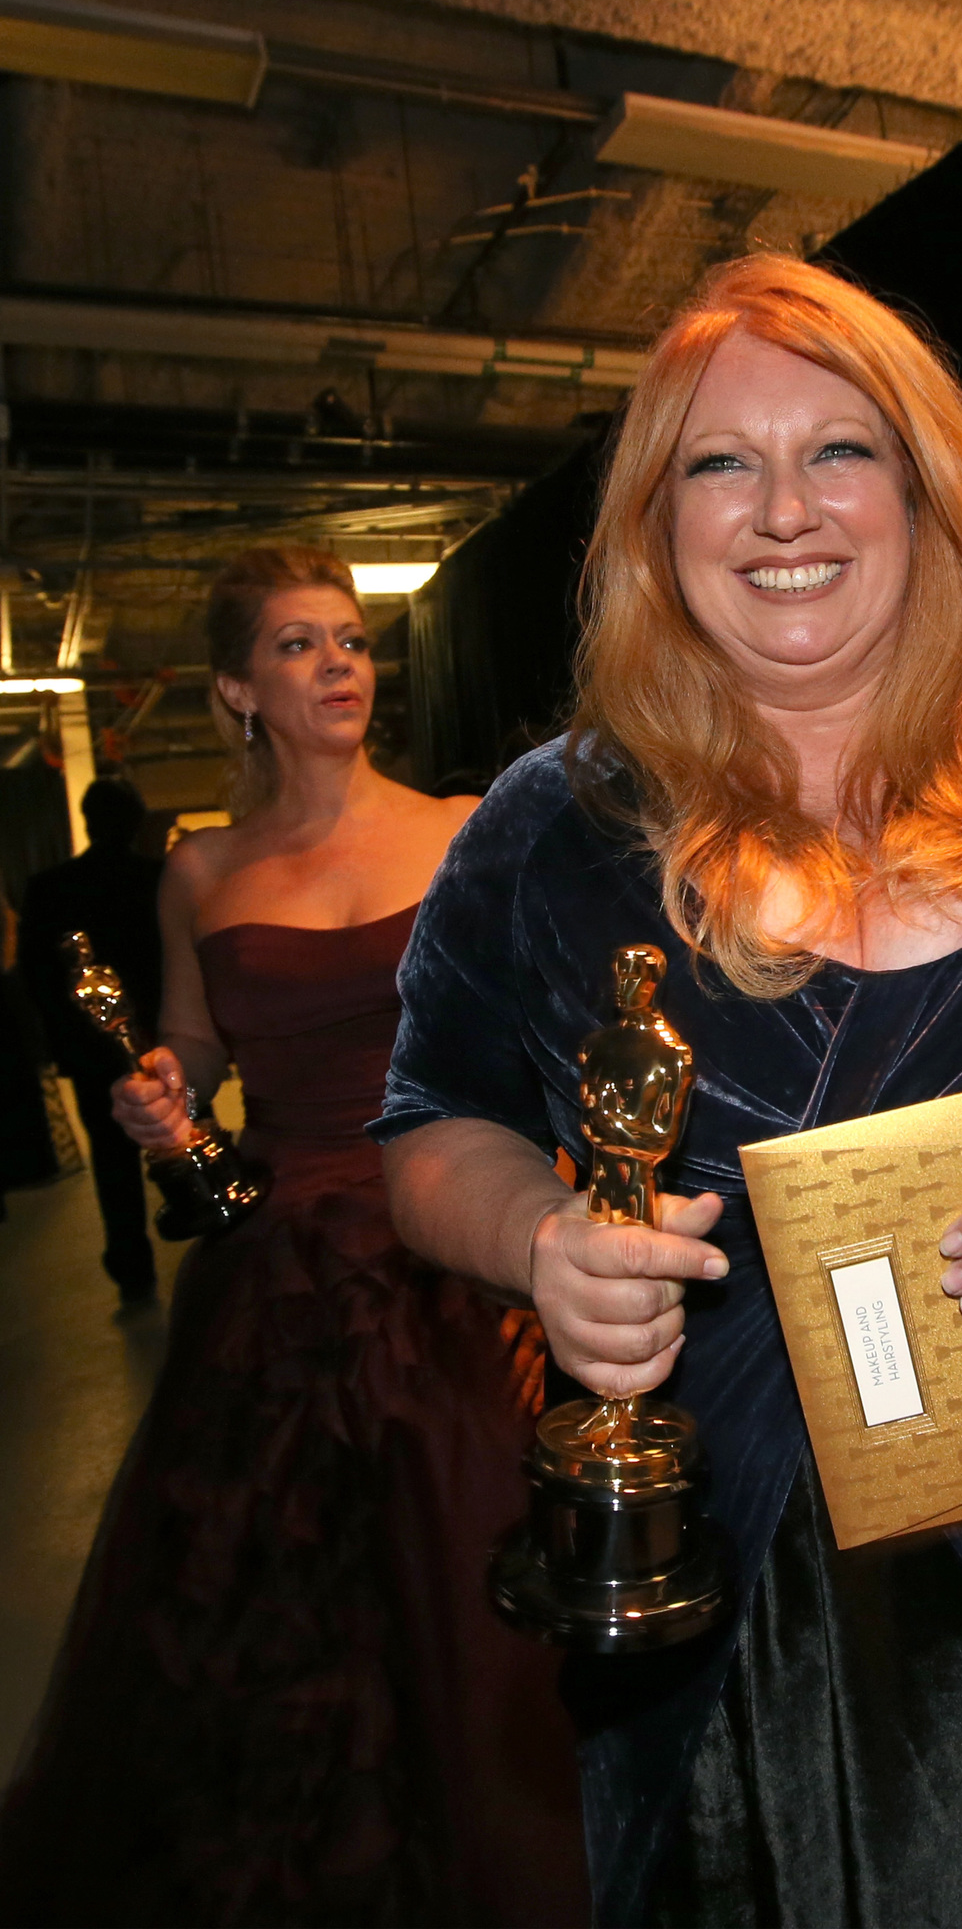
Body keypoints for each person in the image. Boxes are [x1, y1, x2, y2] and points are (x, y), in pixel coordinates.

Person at [374, 257, 962, 1929]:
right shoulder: (551, 827)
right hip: (729, 1617)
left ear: (924, 486)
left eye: (839, 449)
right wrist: (539, 1236)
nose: (780, 510)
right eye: (718, 463)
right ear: (653, 521)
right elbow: (428, 1126)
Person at [0, 545, 589, 1929]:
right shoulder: (201, 870)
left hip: (456, 1249)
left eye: (350, 639)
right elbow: (194, 1048)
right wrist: (160, 1095)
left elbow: (536, 1041)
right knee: (282, 1630)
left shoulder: (460, 827)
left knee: (477, 1589)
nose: (339, 665)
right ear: (235, 691)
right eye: (297, 645)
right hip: (284, 1279)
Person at [17, 776, 163, 1299]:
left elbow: (36, 976)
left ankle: (131, 1263)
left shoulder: (52, 888)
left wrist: (61, 1041)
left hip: (91, 1051)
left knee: (112, 1158)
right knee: (185, 1136)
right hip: (162, 1041)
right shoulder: (157, 879)